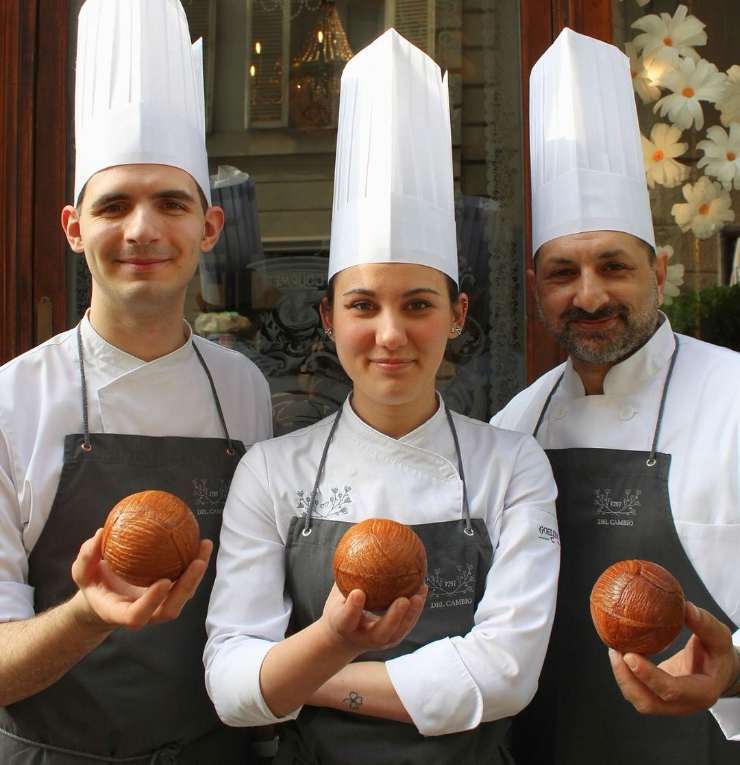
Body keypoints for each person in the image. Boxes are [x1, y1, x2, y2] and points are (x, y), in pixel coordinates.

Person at [205, 29, 560, 765]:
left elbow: (507, 675)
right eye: (363, 305)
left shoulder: (514, 465)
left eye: (419, 304)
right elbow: (230, 686)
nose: (391, 333)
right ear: (329, 317)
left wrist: (307, 671)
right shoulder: (271, 472)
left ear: (458, 316)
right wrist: (331, 642)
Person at [0, 0, 272, 761]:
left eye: (171, 203)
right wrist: (89, 612)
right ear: (73, 227)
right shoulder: (12, 401)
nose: (143, 230)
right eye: (114, 204)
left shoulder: (243, 390)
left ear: (210, 228)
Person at [491, 28, 740, 764]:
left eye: (614, 265)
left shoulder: (734, 396)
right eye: (562, 272)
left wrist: (734, 665)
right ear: (536, 289)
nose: (589, 294)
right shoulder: (517, 423)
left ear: (660, 272)